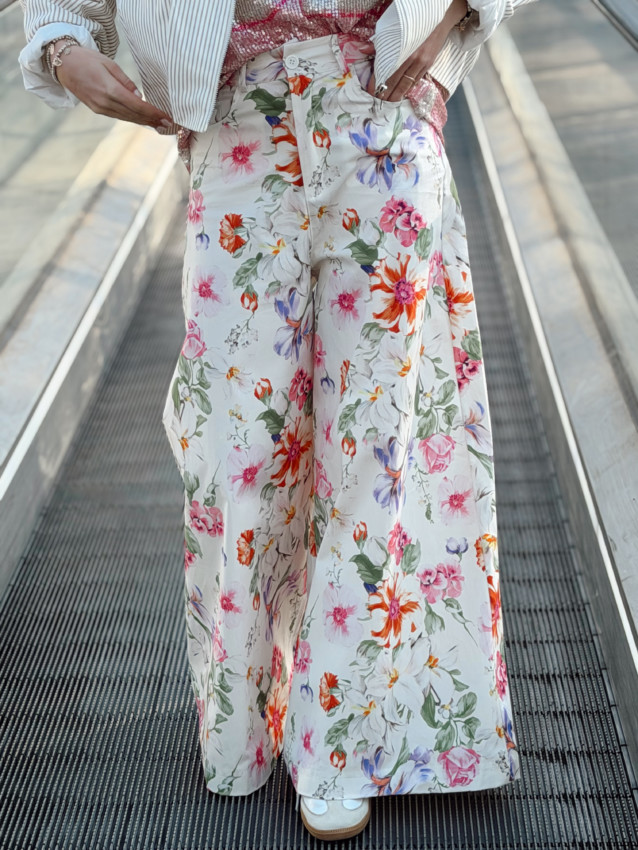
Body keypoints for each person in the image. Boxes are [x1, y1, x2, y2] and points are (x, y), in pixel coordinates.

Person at [19, 0, 536, 841]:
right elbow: (58, 12)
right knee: (240, 450)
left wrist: (450, 13)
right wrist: (60, 41)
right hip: (237, 120)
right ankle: (246, 715)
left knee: (373, 449)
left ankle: (340, 746)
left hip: (378, 104)